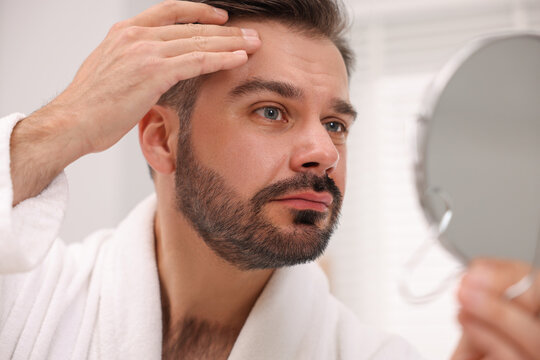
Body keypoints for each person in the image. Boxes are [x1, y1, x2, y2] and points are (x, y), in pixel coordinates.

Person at [0, 0, 538, 359]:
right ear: (163, 139)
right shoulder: (26, 303)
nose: (323, 152)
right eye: (272, 111)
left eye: (335, 124)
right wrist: (60, 125)